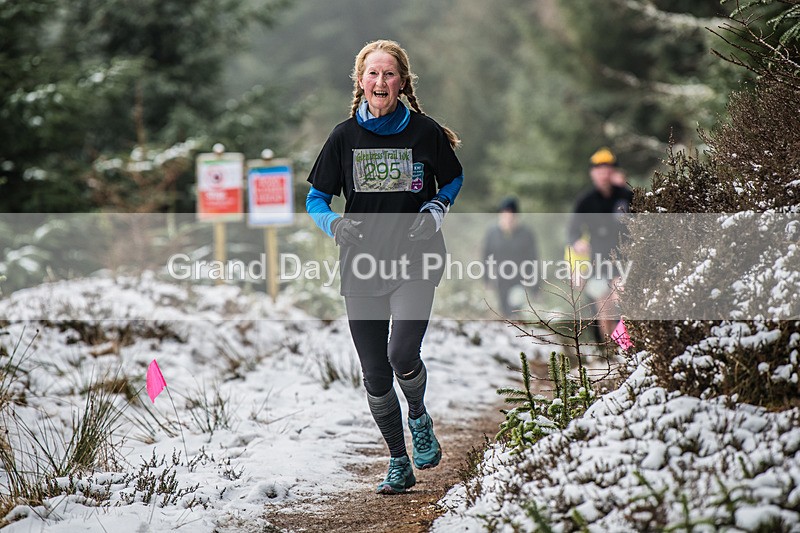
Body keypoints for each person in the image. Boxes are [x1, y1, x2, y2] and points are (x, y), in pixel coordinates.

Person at [305, 40, 464, 495]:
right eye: (372, 74)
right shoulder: (342, 137)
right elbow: (316, 198)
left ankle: (419, 418)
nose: (380, 82)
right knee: (375, 372)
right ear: (361, 81)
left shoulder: (424, 131)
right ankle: (398, 460)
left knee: (400, 355)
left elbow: (453, 176)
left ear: (402, 82)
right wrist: (334, 225)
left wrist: (436, 207)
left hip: (417, 258)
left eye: (389, 74)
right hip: (363, 264)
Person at [567, 147, 633, 340]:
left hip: (625, 262)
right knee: (604, 310)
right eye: (599, 170)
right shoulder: (585, 202)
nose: (604, 174)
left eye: (607, 169)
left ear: (613, 172)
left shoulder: (626, 197)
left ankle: (626, 350)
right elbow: (572, 231)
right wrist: (577, 242)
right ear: (592, 173)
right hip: (598, 264)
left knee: (622, 301)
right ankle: (609, 354)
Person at [482, 197, 539, 317]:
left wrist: (535, 287)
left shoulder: (526, 234)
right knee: (503, 312)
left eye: (511, 216)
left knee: (514, 309)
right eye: (505, 215)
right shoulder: (492, 233)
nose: (508, 219)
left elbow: (534, 260)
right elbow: (486, 257)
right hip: (500, 281)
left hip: (519, 280)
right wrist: (486, 279)